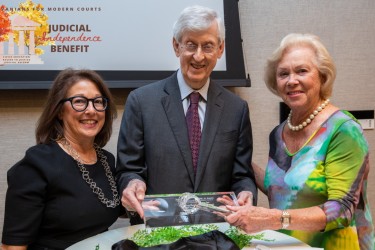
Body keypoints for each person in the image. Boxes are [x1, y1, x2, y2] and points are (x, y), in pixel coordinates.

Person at [224, 33, 375, 250]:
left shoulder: (344, 130)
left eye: (302, 71)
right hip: (289, 245)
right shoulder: (278, 133)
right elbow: (286, 190)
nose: (291, 80)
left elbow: (341, 210)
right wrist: (231, 155)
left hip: (338, 245)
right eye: (283, 74)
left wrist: (271, 217)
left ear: (322, 76)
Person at [116, 5, 257, 224]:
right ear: (176, 46)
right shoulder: (141, 102)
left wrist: (246, 192)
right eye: (191, 45)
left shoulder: (237, 109)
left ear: (220, 49)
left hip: (216, 234)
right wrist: (132, 184)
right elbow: (128, 170)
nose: (198, 56)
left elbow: (242, 176)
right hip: (157, 234)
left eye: (208, 46)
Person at [1, 69, 123, 250]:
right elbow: (12, 247)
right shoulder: (36, 165)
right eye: (79, 101)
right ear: (59, 111)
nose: (91, 110)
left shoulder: (106, 160)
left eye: (98, 102)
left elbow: (111, 206)